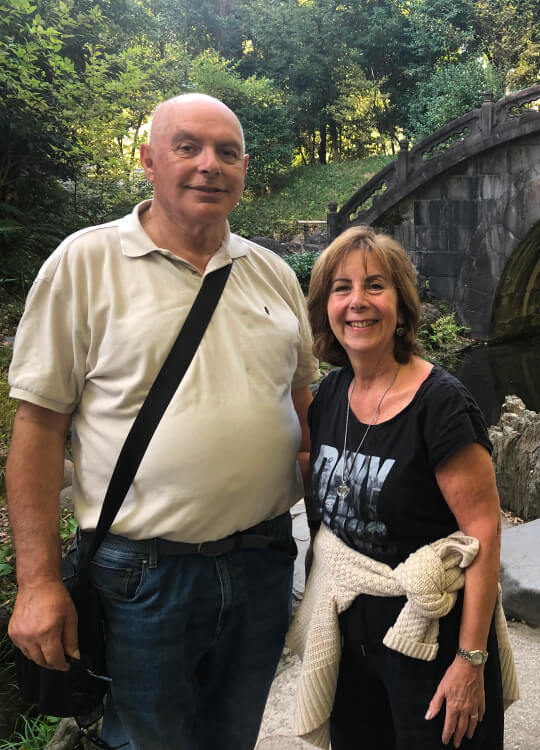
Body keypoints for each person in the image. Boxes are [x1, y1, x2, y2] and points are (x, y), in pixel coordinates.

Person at [6, 93, 318, 749]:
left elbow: (302, 404)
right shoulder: (83, 265)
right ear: (148, 160)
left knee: (235, 734)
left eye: (227, 152)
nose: (210, 165)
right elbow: (37, 433)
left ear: (244, 167)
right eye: (188, 147)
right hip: (145, 575)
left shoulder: (271, 274)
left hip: (265, 559)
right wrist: (35, 584)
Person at [286, 226, 517, 749]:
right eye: (342, 288)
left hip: (430, 634)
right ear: (326, 306)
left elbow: (482, 530)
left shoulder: (441, 404)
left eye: (375, 286)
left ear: (401, 305)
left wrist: (471, 659)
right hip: (349, 636)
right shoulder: (330, 395)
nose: (357, 303)